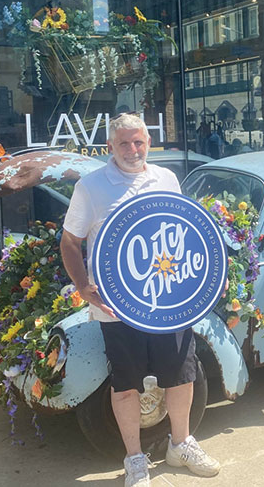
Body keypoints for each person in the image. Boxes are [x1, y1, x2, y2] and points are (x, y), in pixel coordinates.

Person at [61, 114, 220, 487]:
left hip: (169, 303)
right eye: (124, 144)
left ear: (148, 143)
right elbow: (70, 241)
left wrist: (196, 284)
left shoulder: (166, 179)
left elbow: (182, 230)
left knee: (182, 374)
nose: (133, 150)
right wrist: (83, 285)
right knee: (127, 383)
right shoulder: (91, 186)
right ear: (110, 147)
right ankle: (135, 458)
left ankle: (180, 445)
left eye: (139, 142)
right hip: (119, 308)